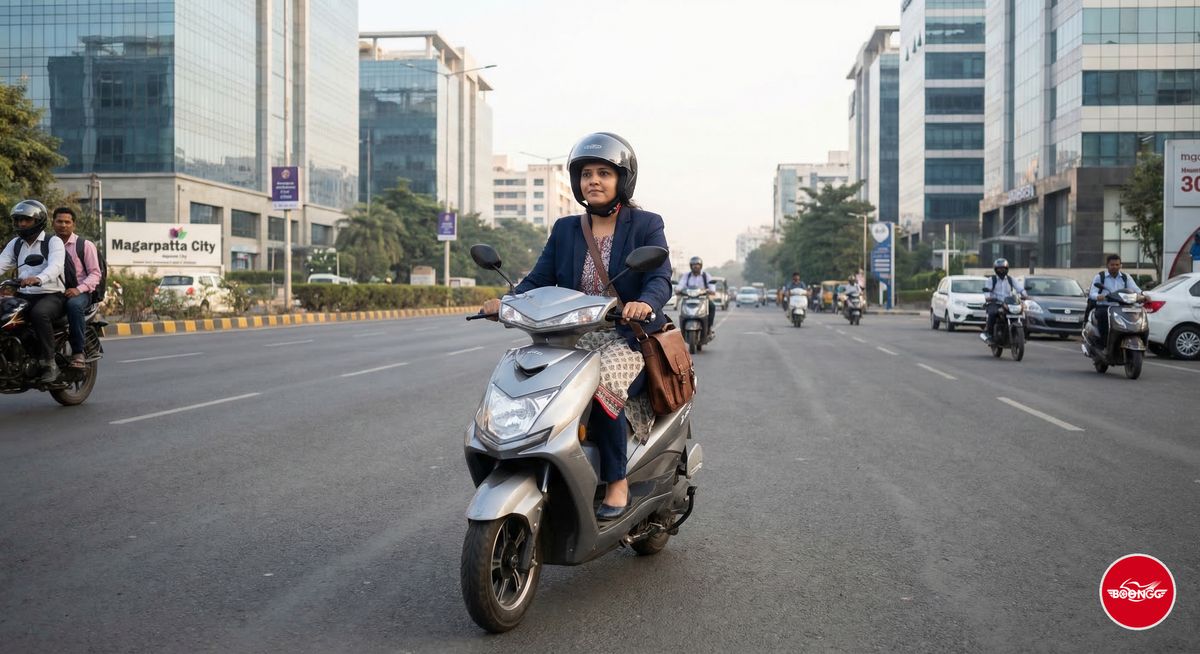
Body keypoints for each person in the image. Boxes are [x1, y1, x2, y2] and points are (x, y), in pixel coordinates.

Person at [480, 132, 671, 520]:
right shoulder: (566, 228)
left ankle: (616, 483)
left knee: (601, 387)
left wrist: (643, 304)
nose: (594, 180)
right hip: (570, 335)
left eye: (604, 172)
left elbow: (660, 277)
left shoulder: (646, 224)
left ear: (623, 180)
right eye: (586, 173)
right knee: (528, 379)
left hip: (627, 336)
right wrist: (506, 302)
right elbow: (538, 278)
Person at [0, 200, 65, 382]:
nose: (21, 224)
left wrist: (38, 278)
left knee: (39, 314)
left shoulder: (53, 242)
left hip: (51, 295)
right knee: (5, 315)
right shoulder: (16, 243)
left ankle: (49, 363)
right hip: (24, 295)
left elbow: (56, 266)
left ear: (38, 220)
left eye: (26, 220)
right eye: (19, 220)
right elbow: (2, 263)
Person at [51, 207, 101, 369]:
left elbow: (95, 274)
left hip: (81, 292)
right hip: (54, 291)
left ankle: (78, 351)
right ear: (53, 223)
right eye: (59, 221)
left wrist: (78, 289)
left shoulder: (84, 245)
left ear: (73, 225)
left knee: (73, 305)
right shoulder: (47, 245)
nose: (63, 225)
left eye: (67, 222)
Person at [1088, 253, 1142, 343]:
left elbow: (1136, 289)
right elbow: (1092, 292)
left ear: (1120, 265)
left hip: (1122, 307)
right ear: (1107, 265)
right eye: (1112, 265)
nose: (1115, 267)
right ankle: (1104, 343)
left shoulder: (1125, 277)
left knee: (1134, 317)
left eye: (1117, 265)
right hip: (1105, 307)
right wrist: (1098, 296)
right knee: (1103, 316)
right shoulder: (1100, 277)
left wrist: (1143, 295)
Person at [981, 258, 1027, 343]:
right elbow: (987, 291)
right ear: (995, 269)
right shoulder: (992, 280)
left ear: (1006, 269)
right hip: (995, 302)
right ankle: (989, 334)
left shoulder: (1011, 279)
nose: (1001, 271)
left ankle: (1021, 335)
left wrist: (1024, 294)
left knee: (1021, 313)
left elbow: (1020, 289)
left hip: (1008, 303)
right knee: (992, 313)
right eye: (999, 268)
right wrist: (988, 297)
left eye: (1003, 268)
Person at [675, 256, 716, 335]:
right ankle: (681, 328)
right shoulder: (687, 276)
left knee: (712, 306)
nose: (695, 266)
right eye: (693, 264)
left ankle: (709, 327)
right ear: (691, 266)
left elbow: (712, 287)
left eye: (697, 264)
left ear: (701, 266)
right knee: (680, 306)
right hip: (688, 299)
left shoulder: (706, 276)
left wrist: (710, 290)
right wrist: (678, 289)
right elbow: (681, 284)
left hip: (703, 299)